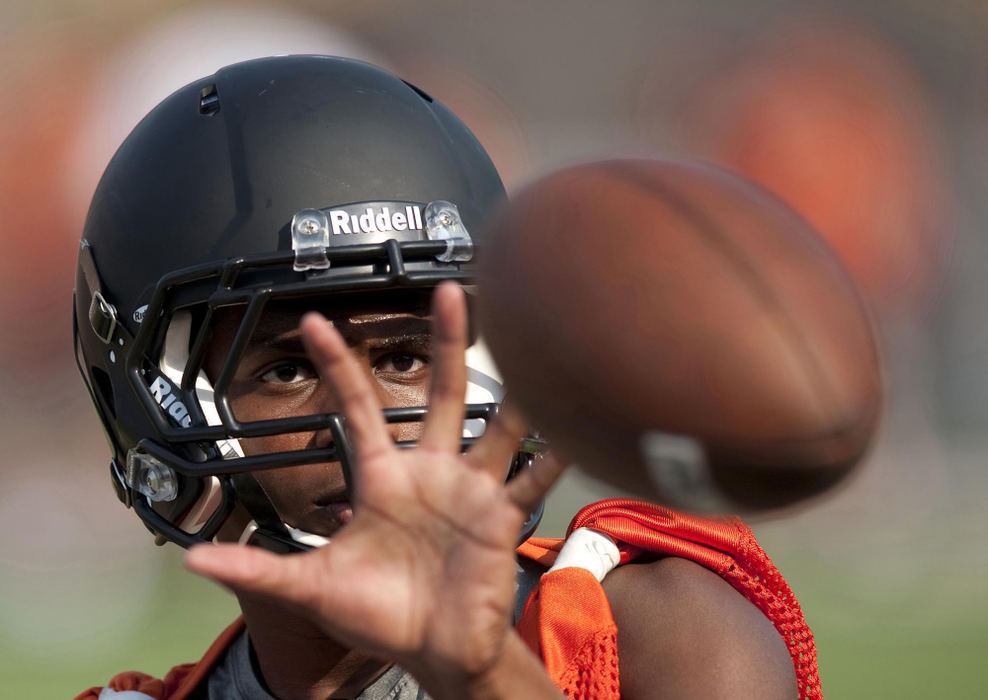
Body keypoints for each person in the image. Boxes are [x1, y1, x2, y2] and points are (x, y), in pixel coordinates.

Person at [74, 55, 807, 699]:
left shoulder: (661, 637)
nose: (366, 427)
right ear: (154, 403)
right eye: (289, 369)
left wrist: (486, 677)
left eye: (403, 360)